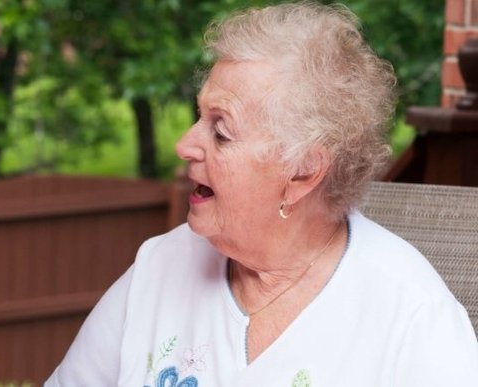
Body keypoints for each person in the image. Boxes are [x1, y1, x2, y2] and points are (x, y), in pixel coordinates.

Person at [46, 3, 478, 386]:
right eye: (200, 116)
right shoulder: (159, 268)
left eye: (221, 131)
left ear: (303, 173)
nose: (185, 144)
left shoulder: (412, 319)